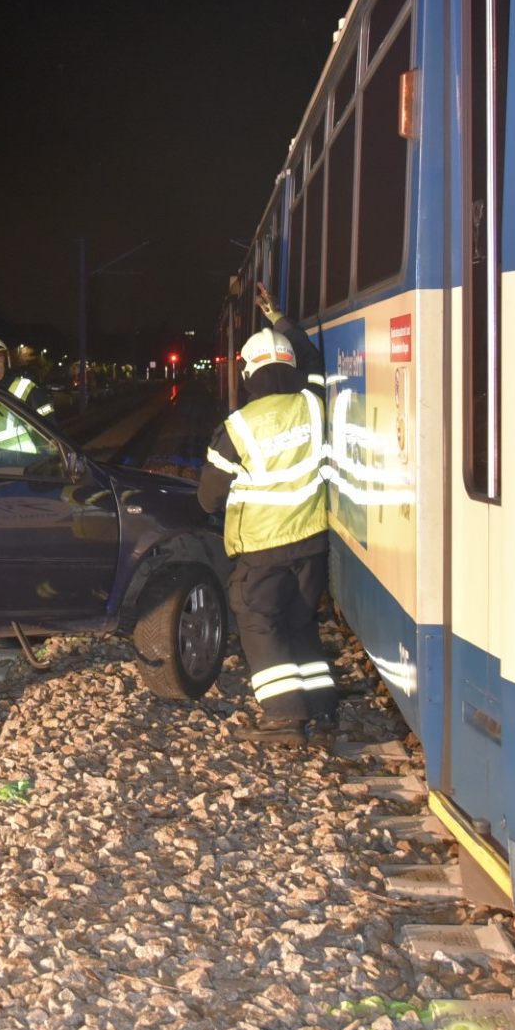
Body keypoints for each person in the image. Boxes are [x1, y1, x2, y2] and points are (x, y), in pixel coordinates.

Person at [198, 283, 336, 744]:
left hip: (262, 548)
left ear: (248, 372)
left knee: (258, 620)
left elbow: (208, 499)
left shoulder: (237, 428)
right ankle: (320, 703)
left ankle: (283, 715)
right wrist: (279, 319)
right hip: (313, 540)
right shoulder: (314, 405)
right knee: (298, 620)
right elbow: (313, 360)